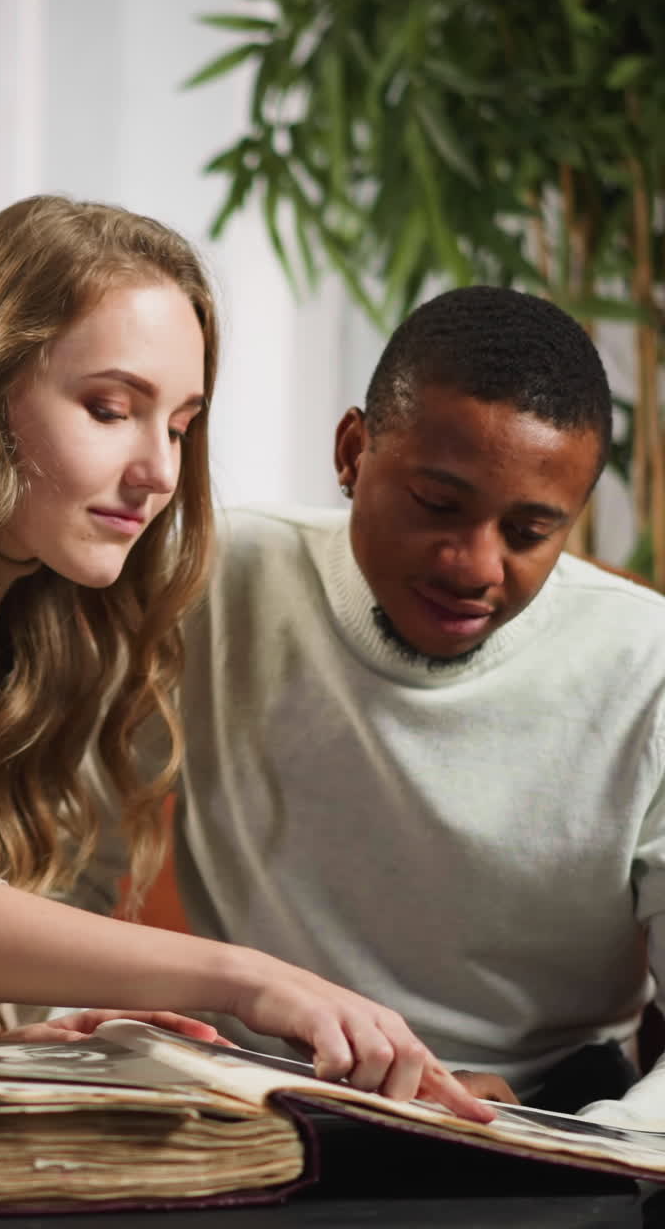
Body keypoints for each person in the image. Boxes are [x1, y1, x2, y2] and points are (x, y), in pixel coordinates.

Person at [0, 195, 493, 1119]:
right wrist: (241, 980)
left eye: (180, 423)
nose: (159, 470)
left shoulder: (23, 631)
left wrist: (15, 1037)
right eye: (110, 408)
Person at [143, 285, 665, 1125]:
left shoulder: (649, 668)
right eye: (438, 505)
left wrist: (550, 1136)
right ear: (352, 451)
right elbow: (65, 864)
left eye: (530, 532)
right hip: (247, 1097)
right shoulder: (214, 579)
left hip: (549, 1114)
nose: (474, 564)